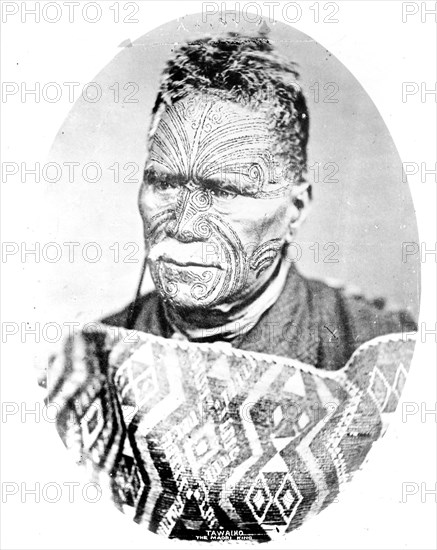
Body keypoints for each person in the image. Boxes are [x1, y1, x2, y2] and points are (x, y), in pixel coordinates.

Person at [103, 32, 415, 371]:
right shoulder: (89, 360)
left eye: (224, 191)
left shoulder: (385, 353)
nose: (184, 225)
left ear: (296, 209)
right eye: (164, 183)